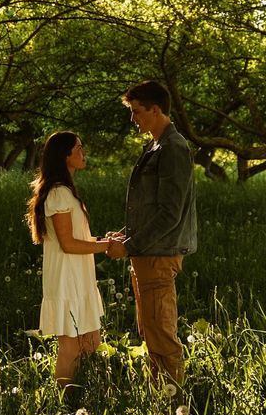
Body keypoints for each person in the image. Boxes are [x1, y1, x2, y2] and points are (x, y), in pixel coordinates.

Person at [106, 80, 197, 388]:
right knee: (149, 331)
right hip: (146, 253)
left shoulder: (173, 148)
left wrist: (131, 245)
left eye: (136, 112)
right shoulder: (155, 146)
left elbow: (170, 214)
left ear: (155, 110)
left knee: (161, 334)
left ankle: (175, 411)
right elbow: (152, 207)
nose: (133, 119)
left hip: (158, 255)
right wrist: (124, 234)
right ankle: (157, 400)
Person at [26, 131, 108, 389]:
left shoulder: (65, 192)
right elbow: (68, 244)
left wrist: (105, 240)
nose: (83, 153)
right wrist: (106, 246)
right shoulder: (59, 193)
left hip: (78, 276)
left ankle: (78, 395)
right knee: (71, 346)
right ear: (65, 155)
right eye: (79, 148)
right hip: (66, 278)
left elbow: (76, 237)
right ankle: (62, 403)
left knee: (91, 341)